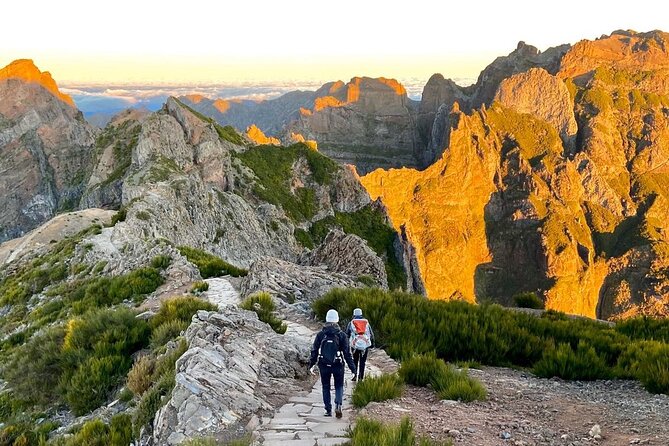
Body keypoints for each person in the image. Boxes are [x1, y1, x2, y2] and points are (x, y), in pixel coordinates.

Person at [308, 309, 356, 418]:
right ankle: (338, 404)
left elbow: (314, 350)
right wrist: (353, 369)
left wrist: (311, 365)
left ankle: (328, 410)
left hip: (323, 364)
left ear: (326, 319)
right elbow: (347, 354)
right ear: (337, 319)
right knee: (339, 385)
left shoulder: (321, 334)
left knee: (326, 386)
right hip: (338, 364)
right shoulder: (342, 335)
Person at [346, 308, 374, 381]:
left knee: (355, 360)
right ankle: (361, 377)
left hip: (355, 345)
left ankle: (354, 375)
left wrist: (347, 343)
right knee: (362, 362)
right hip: (365, 345)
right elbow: (371, 334)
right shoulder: (366, 322)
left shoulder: (351, 322)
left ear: (354, 314)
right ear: (361, 314)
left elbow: (347, 334)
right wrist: (372, 344)